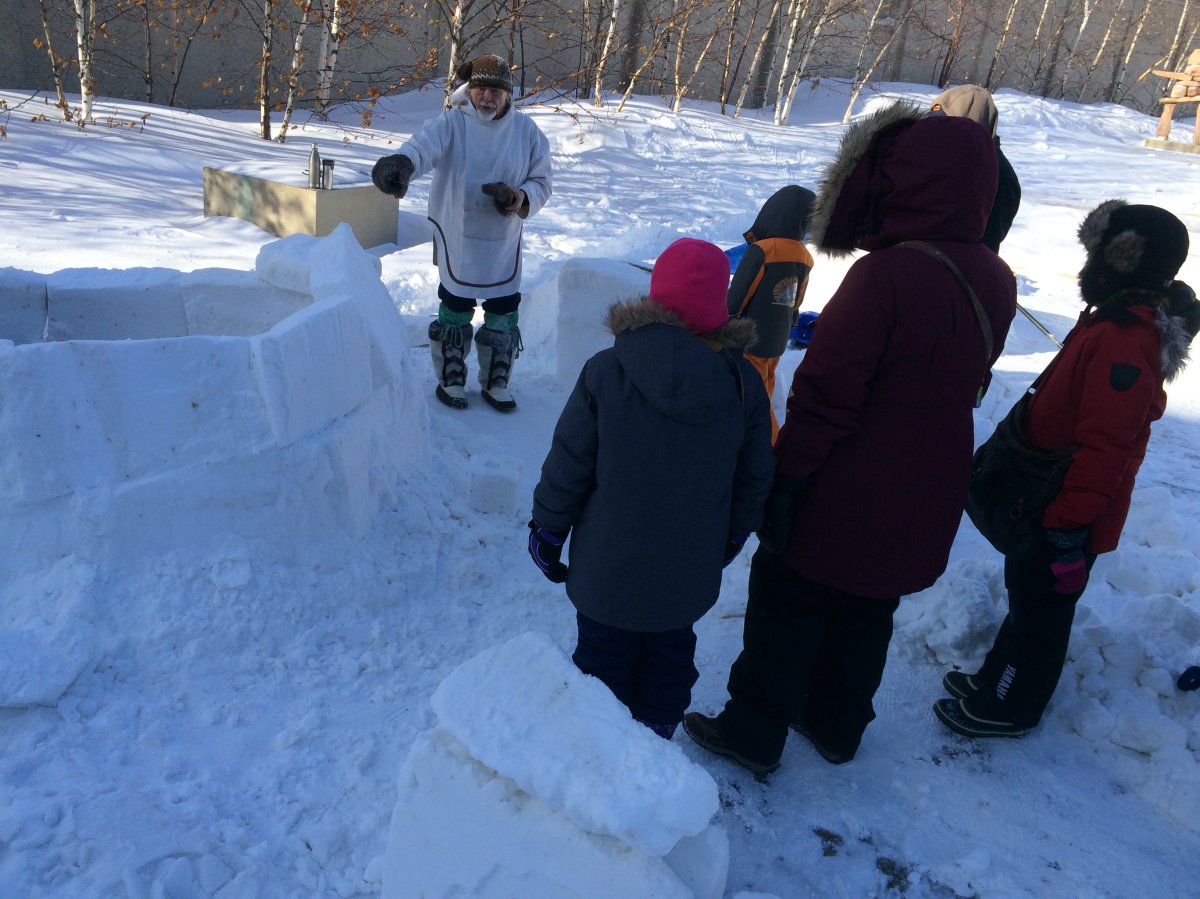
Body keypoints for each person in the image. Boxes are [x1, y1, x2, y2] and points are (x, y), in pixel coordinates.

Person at [682, 102, 1018, 774]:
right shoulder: (995, 276)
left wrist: (789, 476)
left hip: (847, 482)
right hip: (929, 483)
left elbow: (828, 392)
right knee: (869, 607)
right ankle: (836, 724)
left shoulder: (885, 275)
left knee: (788, 602)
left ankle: (752, 731)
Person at [935, 201, 1199, 738]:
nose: (1090, 262)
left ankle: (1011, 705)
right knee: (1027, 600)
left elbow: (1110, 446)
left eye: (1100, 252)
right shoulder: (1112, 320)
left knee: (1042, 617)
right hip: (1046, 498)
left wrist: (1067, 527)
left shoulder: (1125, 338)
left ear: (1123, 261)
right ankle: (996, 678)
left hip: (1063, 511)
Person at [528, 238, 774, 740]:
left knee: (601, 661)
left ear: (655, 298)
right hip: (687, 572)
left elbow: (569, 463)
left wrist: (548, 529)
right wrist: (731, 537)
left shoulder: (607, 370)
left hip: (605, 572)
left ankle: (602, 751)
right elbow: (754, 476)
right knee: (668, 660)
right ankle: (657, 744)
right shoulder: (743, 384)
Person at [371, 54, 552, 412]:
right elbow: (422, 147)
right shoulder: (452, 123)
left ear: (507, 95)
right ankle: (451, 376)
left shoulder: (527, 132)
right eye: (481, 89)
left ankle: (496, 378)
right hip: (458, 231)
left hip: (502, 237)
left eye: (495, 92)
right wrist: (401, 164)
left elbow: (542, 180)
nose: (487, 97)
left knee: (503, 305)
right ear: (470, 90)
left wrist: (519, 197)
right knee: (456, 302)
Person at [727, 185, 816, 442]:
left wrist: (728, 320)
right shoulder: (805, 256)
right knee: (766, 384)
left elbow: (739, 293)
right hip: (778, 337)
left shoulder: (763, 250)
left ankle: (770, 444)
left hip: (752, 336)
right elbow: (797, 299)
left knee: (754, 398)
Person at [930, 84, 1021, 253]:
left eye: (943, 123)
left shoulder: (997, 175)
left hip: (962, 272)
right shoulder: (941, 158)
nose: (931, 131)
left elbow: (987, 242)